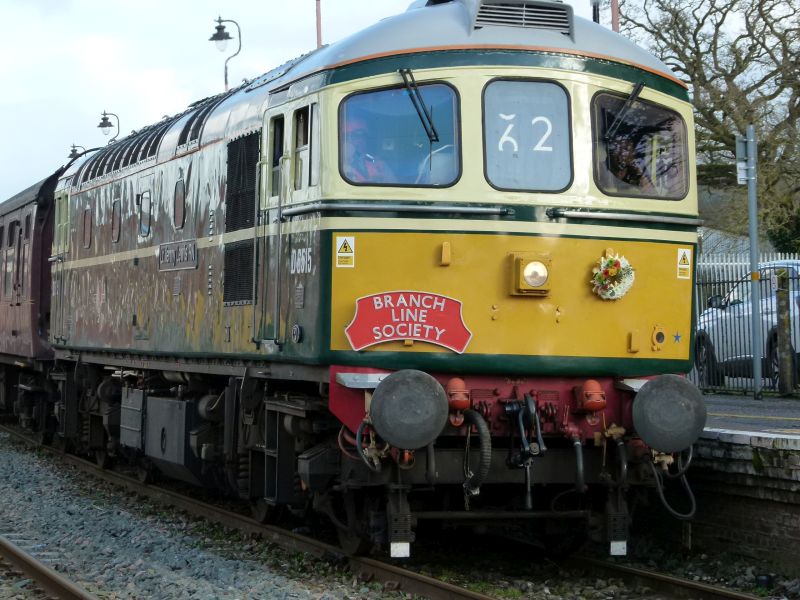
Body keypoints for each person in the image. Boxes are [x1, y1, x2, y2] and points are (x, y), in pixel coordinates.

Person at [342, 117, 393, 183]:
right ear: (345, 140)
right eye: (355, 136)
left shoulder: (378, 162)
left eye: (363, 136)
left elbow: (394, 185)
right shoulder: (339, 165)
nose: (360, 141)